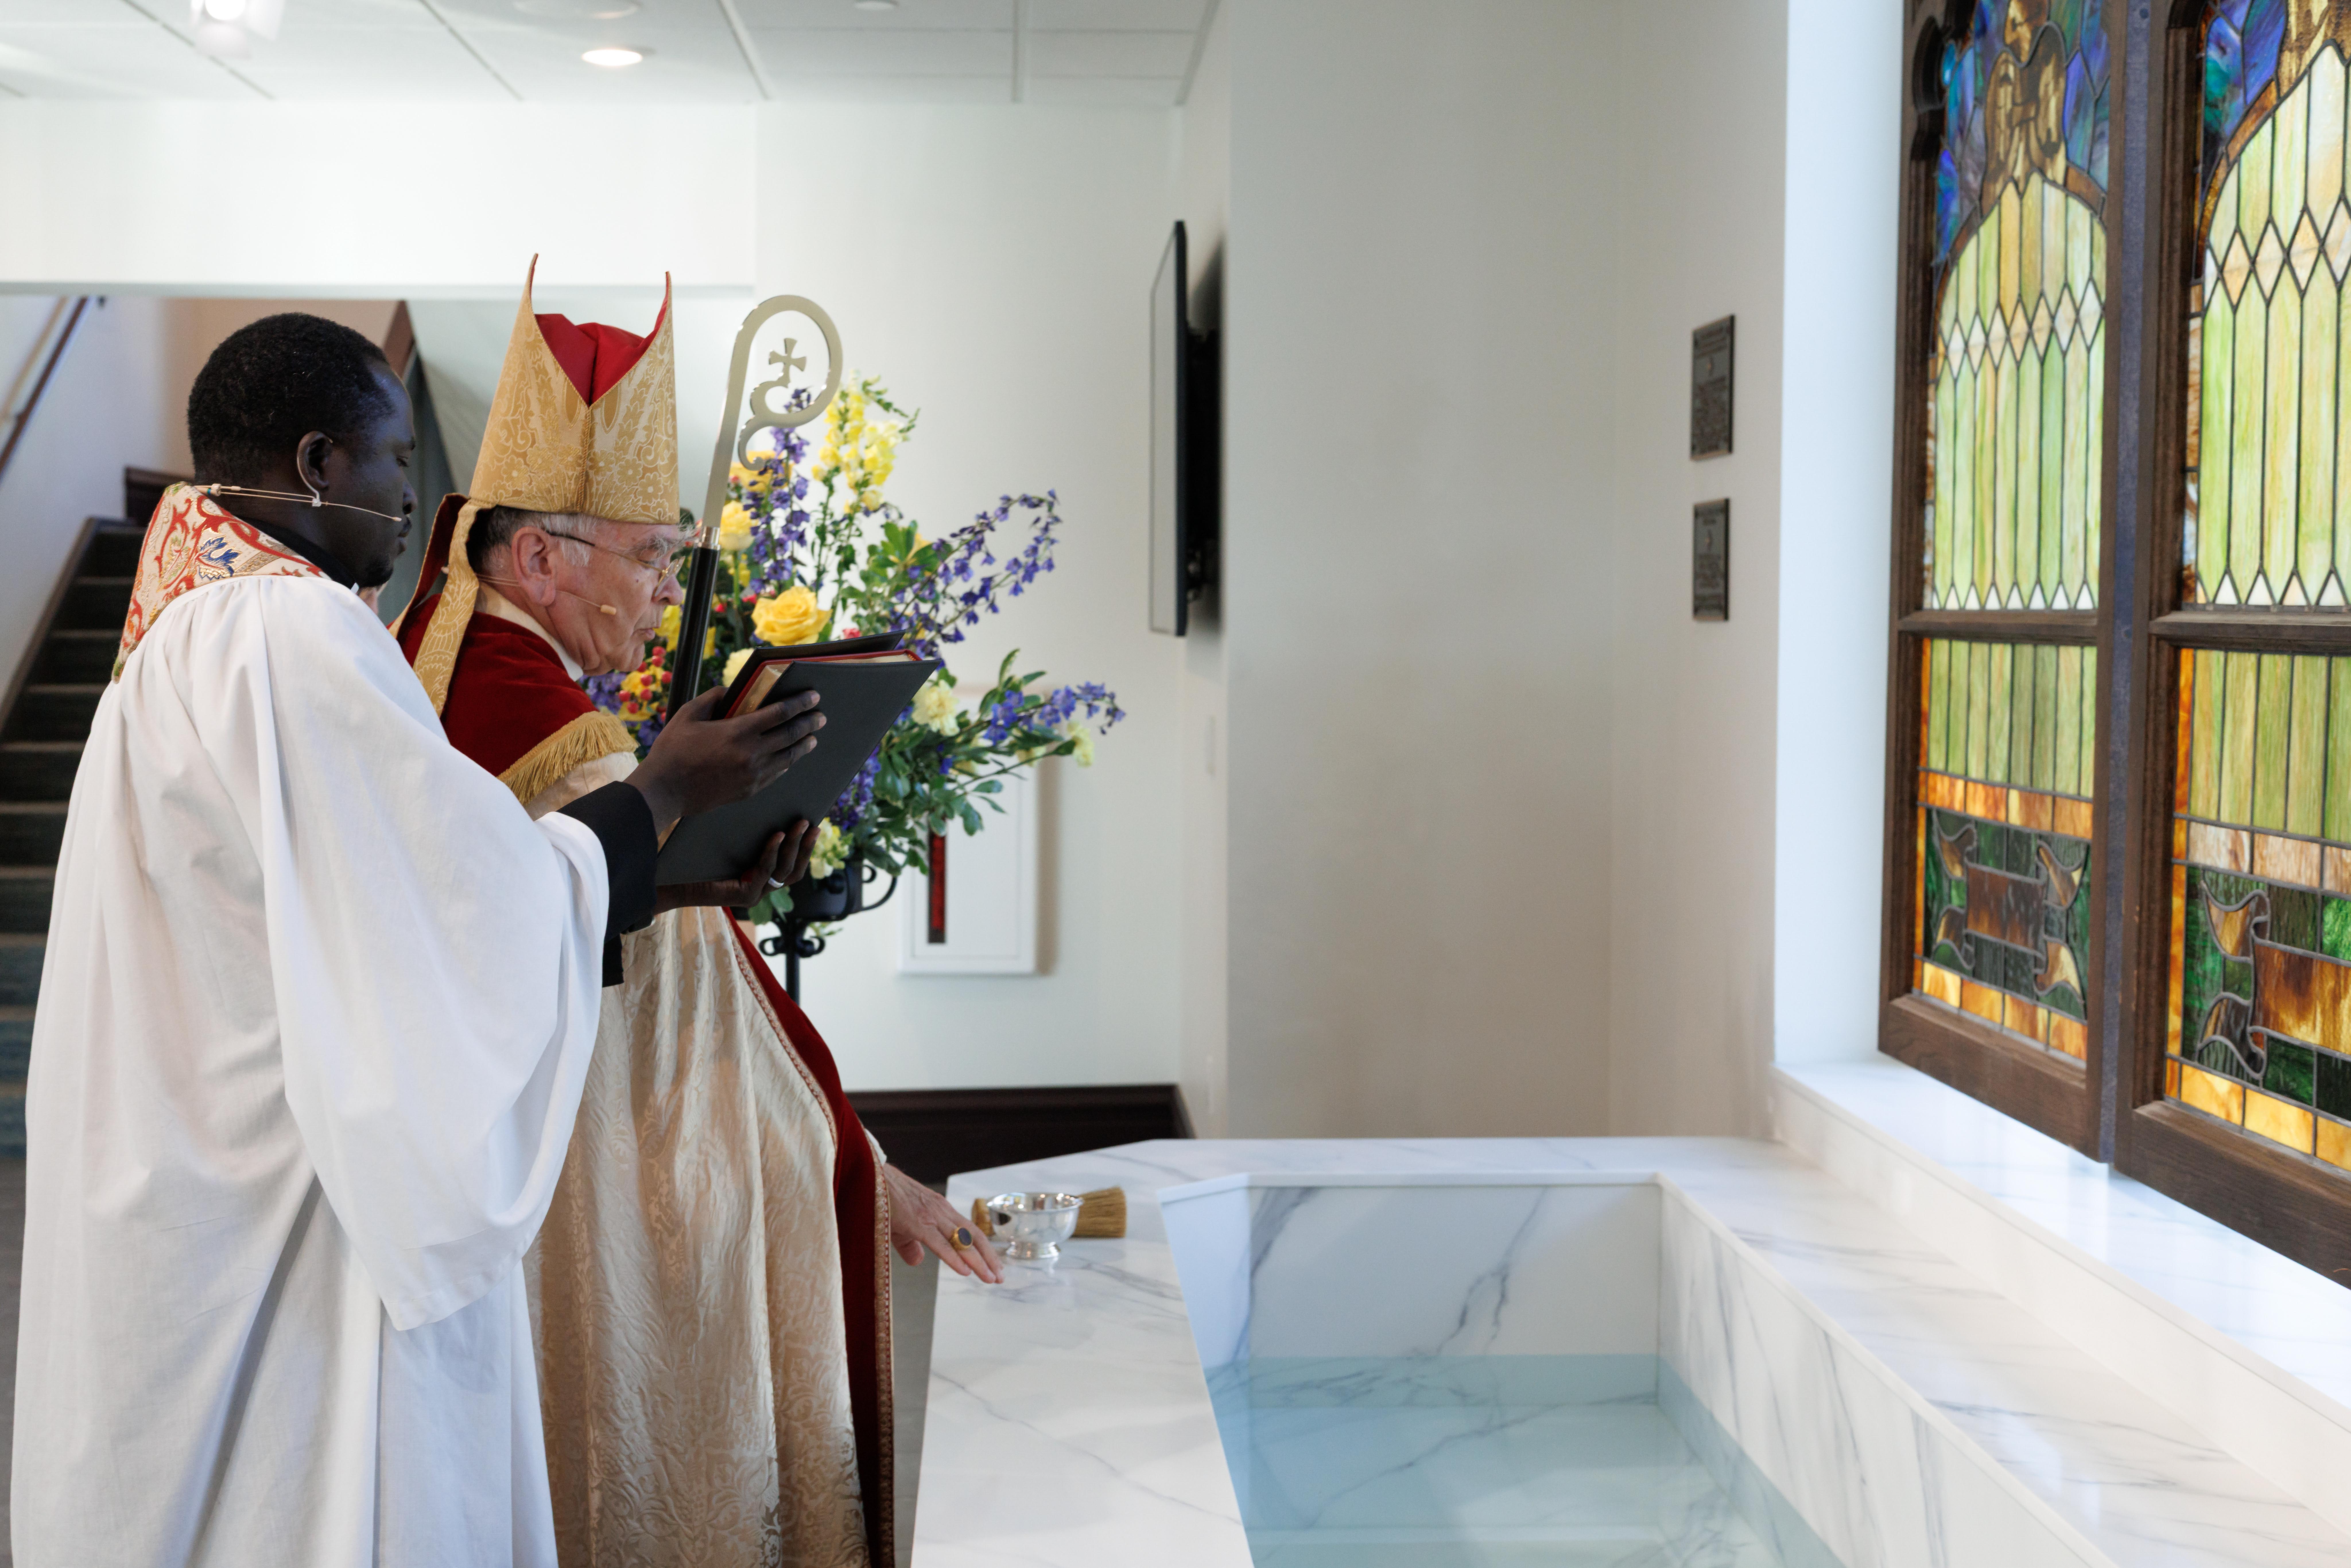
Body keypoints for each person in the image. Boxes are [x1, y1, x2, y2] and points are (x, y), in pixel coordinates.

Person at [12, 312, 823, 1566]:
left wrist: (673, 861)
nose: (415, 504)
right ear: (320, 460)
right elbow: (465, 912)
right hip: (294, 1207)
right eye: (397, 463)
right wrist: (665, 793)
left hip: (196, 1158)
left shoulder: (186, 627)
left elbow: (392, 898)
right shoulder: (292, 633)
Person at [392, 262, 1000, 1568]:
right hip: (589, 1202)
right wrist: (849, 1161)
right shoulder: (549, 726)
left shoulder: (480, 675)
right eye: (653, 554)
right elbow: (675, 1004)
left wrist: (707, 853)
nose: (669, 588)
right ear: (541, 557)